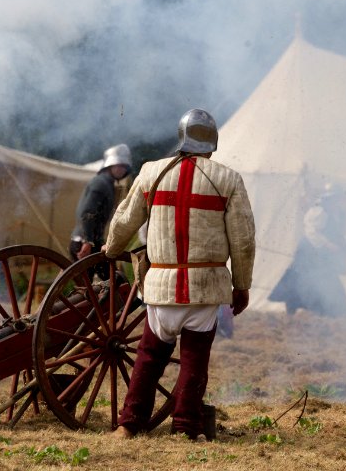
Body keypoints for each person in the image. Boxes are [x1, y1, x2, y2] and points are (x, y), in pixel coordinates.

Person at [104, 108, 255, 441]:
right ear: (212, 144)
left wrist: (111, 250)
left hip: (161, 287)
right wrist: (241, 286)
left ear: (180, 138)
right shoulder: (228, 180)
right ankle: (185, 428)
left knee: (149, 355)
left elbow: (125, 219)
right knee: (194, 360)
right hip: (204, 289)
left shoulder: (151, 172)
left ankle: (129, 424)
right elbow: (243, 241)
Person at [268, 184, 346, 316]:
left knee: (324, 280)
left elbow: (335, 233)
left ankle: (329, 311)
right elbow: (311, 232)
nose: (338, 201)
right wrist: (328, 245)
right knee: (303, 280)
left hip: (321, 254)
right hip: (310, 252)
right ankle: (297, 309)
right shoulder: (319, 211)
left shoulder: (337, 213)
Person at [69, 143, 132, 262]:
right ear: (110, 165)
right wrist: (88, 241)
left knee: (108, 277)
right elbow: (87, 213)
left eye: (124, 166)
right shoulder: (101, 183)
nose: (122, 169)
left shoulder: (107, 183)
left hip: (93, 242)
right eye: (119, 165)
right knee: (103, 278)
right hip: (84, 243)